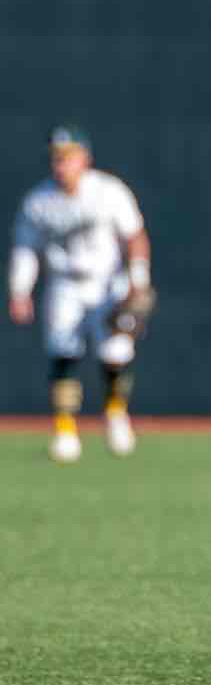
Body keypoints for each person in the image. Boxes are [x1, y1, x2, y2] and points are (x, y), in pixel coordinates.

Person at [7, 125, 153, 462]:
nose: (62, 164)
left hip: (107, 281)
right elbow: (26, 249)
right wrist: (20, 290)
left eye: (69, 157)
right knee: (63, 353)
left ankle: (116, 415)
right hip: (65, 284)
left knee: (116, 352)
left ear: (84, 158)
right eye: (57, 158)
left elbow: (134, 236)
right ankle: (65, 430)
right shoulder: (39, 202)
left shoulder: (108, 191)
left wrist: (138, 279)